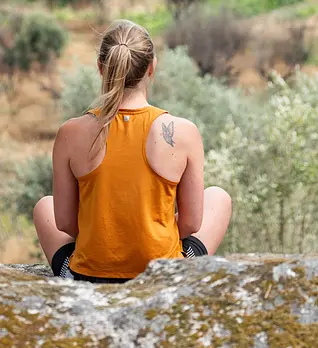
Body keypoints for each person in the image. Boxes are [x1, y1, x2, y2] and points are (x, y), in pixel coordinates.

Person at [33, 19, 232, 282]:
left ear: (101, 67)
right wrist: (152, 228)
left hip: (89, 278)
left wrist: (107, 232)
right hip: (161, 278)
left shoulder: (70, 132)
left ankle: (71, 273)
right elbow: (191, 224)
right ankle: (184, 270)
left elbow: (66, 224)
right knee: (219, 198)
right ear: (151, 67)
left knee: (44, 207)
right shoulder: (183, 132)